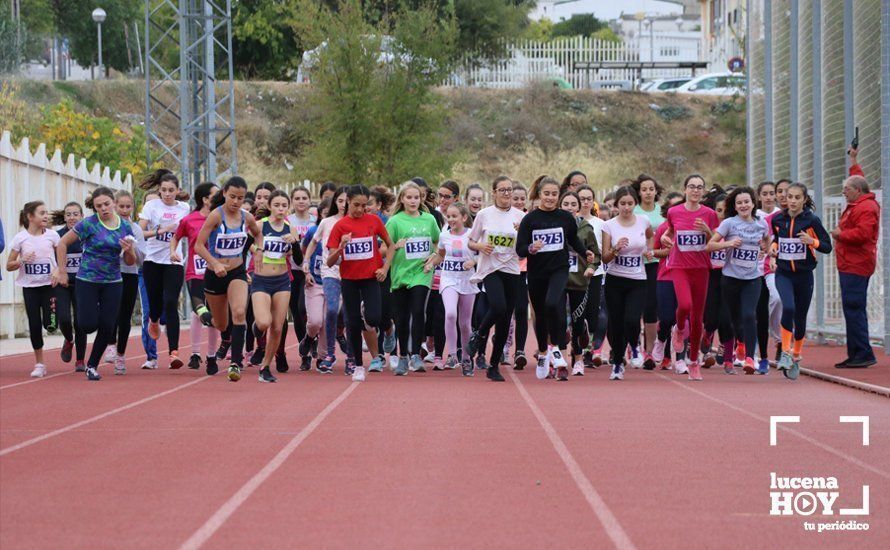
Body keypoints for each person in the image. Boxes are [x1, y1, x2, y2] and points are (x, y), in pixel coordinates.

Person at [518, 176, 597, 382]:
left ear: (558, 196)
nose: (551, 198)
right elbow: (519, 249)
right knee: (541, 314)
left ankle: (554, 349)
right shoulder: (530, 219)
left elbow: (573, 240)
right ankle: (543, 352)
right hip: (537, 273)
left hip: (559, 270)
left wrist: (585, 253)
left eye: (554, 194)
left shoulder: (565, 218)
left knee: (553, 304)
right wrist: (530, 248)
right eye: (547, 194)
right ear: (540, 195)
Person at [53, 187, 137, 381]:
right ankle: (90, 321)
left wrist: (129, 250)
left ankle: (92, 365)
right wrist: (62, 271)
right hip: (87, 280)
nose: (104, 208)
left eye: (107, 204)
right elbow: (62, 244)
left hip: (113, 281)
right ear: (95, 207)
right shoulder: (88, 224)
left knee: (108, 326)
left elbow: (131, 262)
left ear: (113, 203)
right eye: (99, 206)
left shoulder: (125, 227)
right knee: (87, 324)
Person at [195, 176, 263, 381]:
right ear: (224, 193)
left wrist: (258, 250)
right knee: (222, 325)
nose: (235, 202)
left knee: (240, 312)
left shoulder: (246, 217)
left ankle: (235, 363)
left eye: (240, 198)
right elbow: (198, 246)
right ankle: (205, 315)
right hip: (215, 274)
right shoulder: (216, 216)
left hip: (237, 272)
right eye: (232, 196)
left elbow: (258, 234)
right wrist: (214, 264)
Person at [327, 185, 392, 381]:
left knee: (374, 318)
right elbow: (330, 261)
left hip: (371, 278)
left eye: (364, 205)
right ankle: (358, 366)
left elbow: (391, 246)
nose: (360, 209)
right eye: (356, 205)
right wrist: (341, 247)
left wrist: (385, 268)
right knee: (352, 323)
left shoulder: (373, 220)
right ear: (348, 202)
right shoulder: (340, 226)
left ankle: (382, 326)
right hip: (349, 280)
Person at [769, 183, 832, 379]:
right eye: (790, 197)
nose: (793, 201)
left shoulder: (811, 220)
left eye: (798, 197)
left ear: (804, 200)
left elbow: (827, 246)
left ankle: (796, 355)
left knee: (801, 317)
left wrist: (811, 241)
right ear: (785, 199)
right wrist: (772, 247)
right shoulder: (778, 219)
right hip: (784, 273)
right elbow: (777, 238)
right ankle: (786, 353)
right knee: (788, 307)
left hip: (804, 275)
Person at [660, 175, 719, 381]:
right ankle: (678, 329)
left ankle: (694, 361)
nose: (695, 190)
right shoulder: (674, 211)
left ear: (703, 192)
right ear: (685, 189)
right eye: (692, 187)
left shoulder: (710, 214)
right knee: (684, 305)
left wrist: (707, 231)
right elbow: (669, 232)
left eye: (699, 187)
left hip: (701, 267)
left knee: (697, 318)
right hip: (679, 266)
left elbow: (715, 242)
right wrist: (664, 238)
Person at [466, 176, 525, 382]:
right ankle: (479, 334)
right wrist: (481, 246)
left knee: (505, 320)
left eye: (509, 190)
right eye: (502, 190)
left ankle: (493, 366)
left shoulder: (520, 216)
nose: (507, 193)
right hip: (490, 269)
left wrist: (527, 242)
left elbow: (525, 249)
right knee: (498, 307)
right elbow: (471, 242)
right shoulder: (484, 215)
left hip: (511, 270)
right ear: (494, 193)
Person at [706, 187, 771, 375]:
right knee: (735, 318)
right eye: (739, 203)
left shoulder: (761, 224)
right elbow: (709, 246)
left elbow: (767, 239)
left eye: (747, 202)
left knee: (750, 315)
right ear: (734, 206)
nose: (743, 205)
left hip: (752, 278)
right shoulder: (729, 224)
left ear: (753, 203)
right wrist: (727, 243)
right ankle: (740, 342)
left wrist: (765, 249)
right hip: (731, 279)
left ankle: (750, 358)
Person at [385, 182, 441, 375]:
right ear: (402, 199)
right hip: (400, 274)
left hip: (422, 272)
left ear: (421, 199)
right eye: (409, 197)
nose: (413, 201)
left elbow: (438, 242)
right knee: (401, 318)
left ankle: (415, 355)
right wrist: (395, 246)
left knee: (418, 311)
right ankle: (402, 357)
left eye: (416, 197)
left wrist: (433, 257)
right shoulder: (395, 221)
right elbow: (383, 248)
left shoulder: (429, 220)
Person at [831, 149, 880, 368]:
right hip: (850, 262)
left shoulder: (866, 207)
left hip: (856, 264)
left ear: (857, 191)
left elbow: (864, 234)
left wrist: (840, 234)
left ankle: (862, 352)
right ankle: (857, 352)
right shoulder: (861, 201)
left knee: (853, 306)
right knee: (851, 307)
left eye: (846, 189)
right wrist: (853, 161)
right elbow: (859, 178)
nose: (843, 192)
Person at [138, 169, 191, 369]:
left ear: (177, 191)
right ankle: (153, 320)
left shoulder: (184, 208)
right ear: (159, 190)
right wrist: (161, 230)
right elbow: (140, 232)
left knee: (171, 303)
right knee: (155, 306)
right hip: (152, 261)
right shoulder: (152, 206)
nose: (167, 194)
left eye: (171, 190)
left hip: (174, 261)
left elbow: (189, 230)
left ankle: (174, 352)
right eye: (164, 190)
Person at [601, 187, 654, 381]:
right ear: (616, 205)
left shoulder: (643, 221)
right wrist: (615, 248)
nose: (626, 207)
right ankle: (617, 364)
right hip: (615, 279)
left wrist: (649, 251)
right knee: (616, 324)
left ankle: (635, 346)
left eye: (630, 203)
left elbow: (650, 236)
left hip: (637, 280)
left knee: (632, 319)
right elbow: (605, 258)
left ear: (635, 204)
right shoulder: (609, 225)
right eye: (622, 204)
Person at [251, 190, 303, 383]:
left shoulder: (291, 229)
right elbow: (245, 245)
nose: (281, 209)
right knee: (264, 322)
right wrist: (257, 249)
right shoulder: (259, 226)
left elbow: (298, 259)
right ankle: (256, 326)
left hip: (282, 281)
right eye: (277, 205)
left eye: (284, 206)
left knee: (277, 328)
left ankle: (265, 366)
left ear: (287, 208)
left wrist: (295, 243)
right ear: (270, 207)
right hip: (261, 280)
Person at [7, 201, 62, 378]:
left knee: (51, 325)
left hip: (49, 286)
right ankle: (39, 363)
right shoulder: (20, 238)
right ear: (30, 217)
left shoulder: (53, 236)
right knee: (34, 324)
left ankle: (56, 328)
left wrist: (57, 269)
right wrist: (22, 261)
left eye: (46, 212)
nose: (46, 216)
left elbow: (62, 258)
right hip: (30, 287)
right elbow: (9, 265)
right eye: (42, 213)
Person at [170, 182, 220, 374]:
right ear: (205, 200)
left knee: (213, 315)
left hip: (217, 271)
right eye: (216, 195)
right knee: (200, 312)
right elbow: (176, 236)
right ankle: (195, 353)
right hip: (195, 272)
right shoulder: (189, 220)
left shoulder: (222, 218)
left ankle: (211, 355)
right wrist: (172, 252)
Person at [304, 186, 347, 373]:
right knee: (323, 316)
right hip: (327, 272)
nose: (344, 205)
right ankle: (321, 347)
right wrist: (306, 261)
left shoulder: (357, 223)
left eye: (347, 201)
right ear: (335, 202)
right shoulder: (326, 222)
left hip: (350, 274)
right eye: (340, 201)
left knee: (338, 315)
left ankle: (326, 357)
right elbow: (313, 242)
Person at [432, 202, 478, 376]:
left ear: (464, 218)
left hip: (467, 280)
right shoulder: (444, 236)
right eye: (448, 216)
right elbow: (440, 256)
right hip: (449, 279)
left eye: (454, 216)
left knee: (465, 324)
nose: (450, 219)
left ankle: (466, 358)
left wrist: (473, 262)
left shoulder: (472, 236)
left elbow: (482, 255)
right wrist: (431, 263)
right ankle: (452, 354)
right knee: (450, 313)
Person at [560, 191, 600, 377]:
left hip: (579, 281)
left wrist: (591, 267)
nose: (569, 207)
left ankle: (578, 359)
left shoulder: (586, 228)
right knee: (558, 320)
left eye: (572, 204)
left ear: (578, 207)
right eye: (565, 204)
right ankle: (560, 358)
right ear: (560, 206)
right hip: (557, 281)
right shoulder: (554, 226)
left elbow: (596, 255)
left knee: (576, 323)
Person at [107, 190, 146, 375]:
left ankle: (121, 355)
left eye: (127, 206)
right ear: (114, 205)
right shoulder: (107, 227)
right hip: (108, 275)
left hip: (129, 274)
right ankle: (110, 344)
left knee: (125, 316)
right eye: (121, 206)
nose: (124, 210)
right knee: (109, 313)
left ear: (133, 207)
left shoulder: (136, 229)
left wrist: (132, 248)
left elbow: (141, 259)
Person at [632, 174, 665, 369]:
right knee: (636, 309)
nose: (648, 193)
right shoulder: (633, 211)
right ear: (639, 192)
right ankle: (634, 346)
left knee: (652, 307)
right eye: (644, 189)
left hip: (656, 263)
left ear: (656, 191)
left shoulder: (662, 212)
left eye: (651, 189)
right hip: (635, 264)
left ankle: (650, 351)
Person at [51, 202, 88, 371]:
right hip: (63, 283)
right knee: (64, 318)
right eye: (68, 214)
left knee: (80, 321)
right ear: (64, 217)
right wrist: (58, 272)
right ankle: (69, 339)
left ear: (82, 216)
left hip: (82, 284)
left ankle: (80, 360)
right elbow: (50, 259)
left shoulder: (88, 235)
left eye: (75, 214)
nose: (72, 217)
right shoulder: (57, 236)